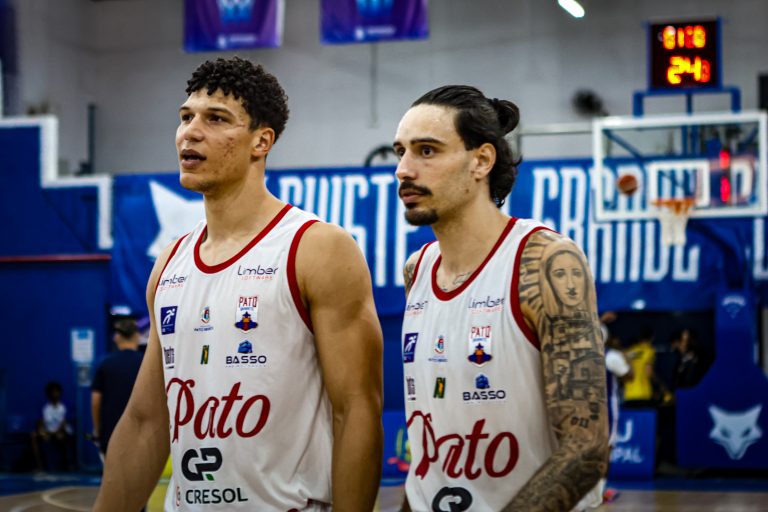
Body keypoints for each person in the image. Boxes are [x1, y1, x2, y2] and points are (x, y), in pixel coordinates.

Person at [94, 57, 384, 512]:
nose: (190, 132)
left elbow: (356, 411)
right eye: (186, 117)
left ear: (261, 141)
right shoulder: (169, 263)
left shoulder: (316, 248)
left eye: (216, 119)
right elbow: (147, 421)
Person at [394, 85, 608, 511]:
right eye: (400, 152)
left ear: (481, 160)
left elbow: (586, 448)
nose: (403, 169)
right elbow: (427, 467)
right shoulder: (416, 270)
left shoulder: (543, 259)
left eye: (427, 151)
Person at [91, 317, 144, 458]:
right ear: (137, 336)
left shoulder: (105, 364)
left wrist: (97, 430)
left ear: (117, 337)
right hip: (140, 431)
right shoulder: (146, 364)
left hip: (111, 432)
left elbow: (95, 401)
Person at [31, 381, 75, 471]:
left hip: (61, 432)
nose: (55, 394)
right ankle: (40, 466)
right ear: (48, 394)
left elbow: (64, 423)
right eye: (52, 392)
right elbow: (40, 423)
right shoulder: (44, 408)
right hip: (48, 432)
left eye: (57, 392)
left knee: (62, 436)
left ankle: (67, 465)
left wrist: (56, 432)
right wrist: (43, 433)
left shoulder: (64, 407)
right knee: (33, 436)